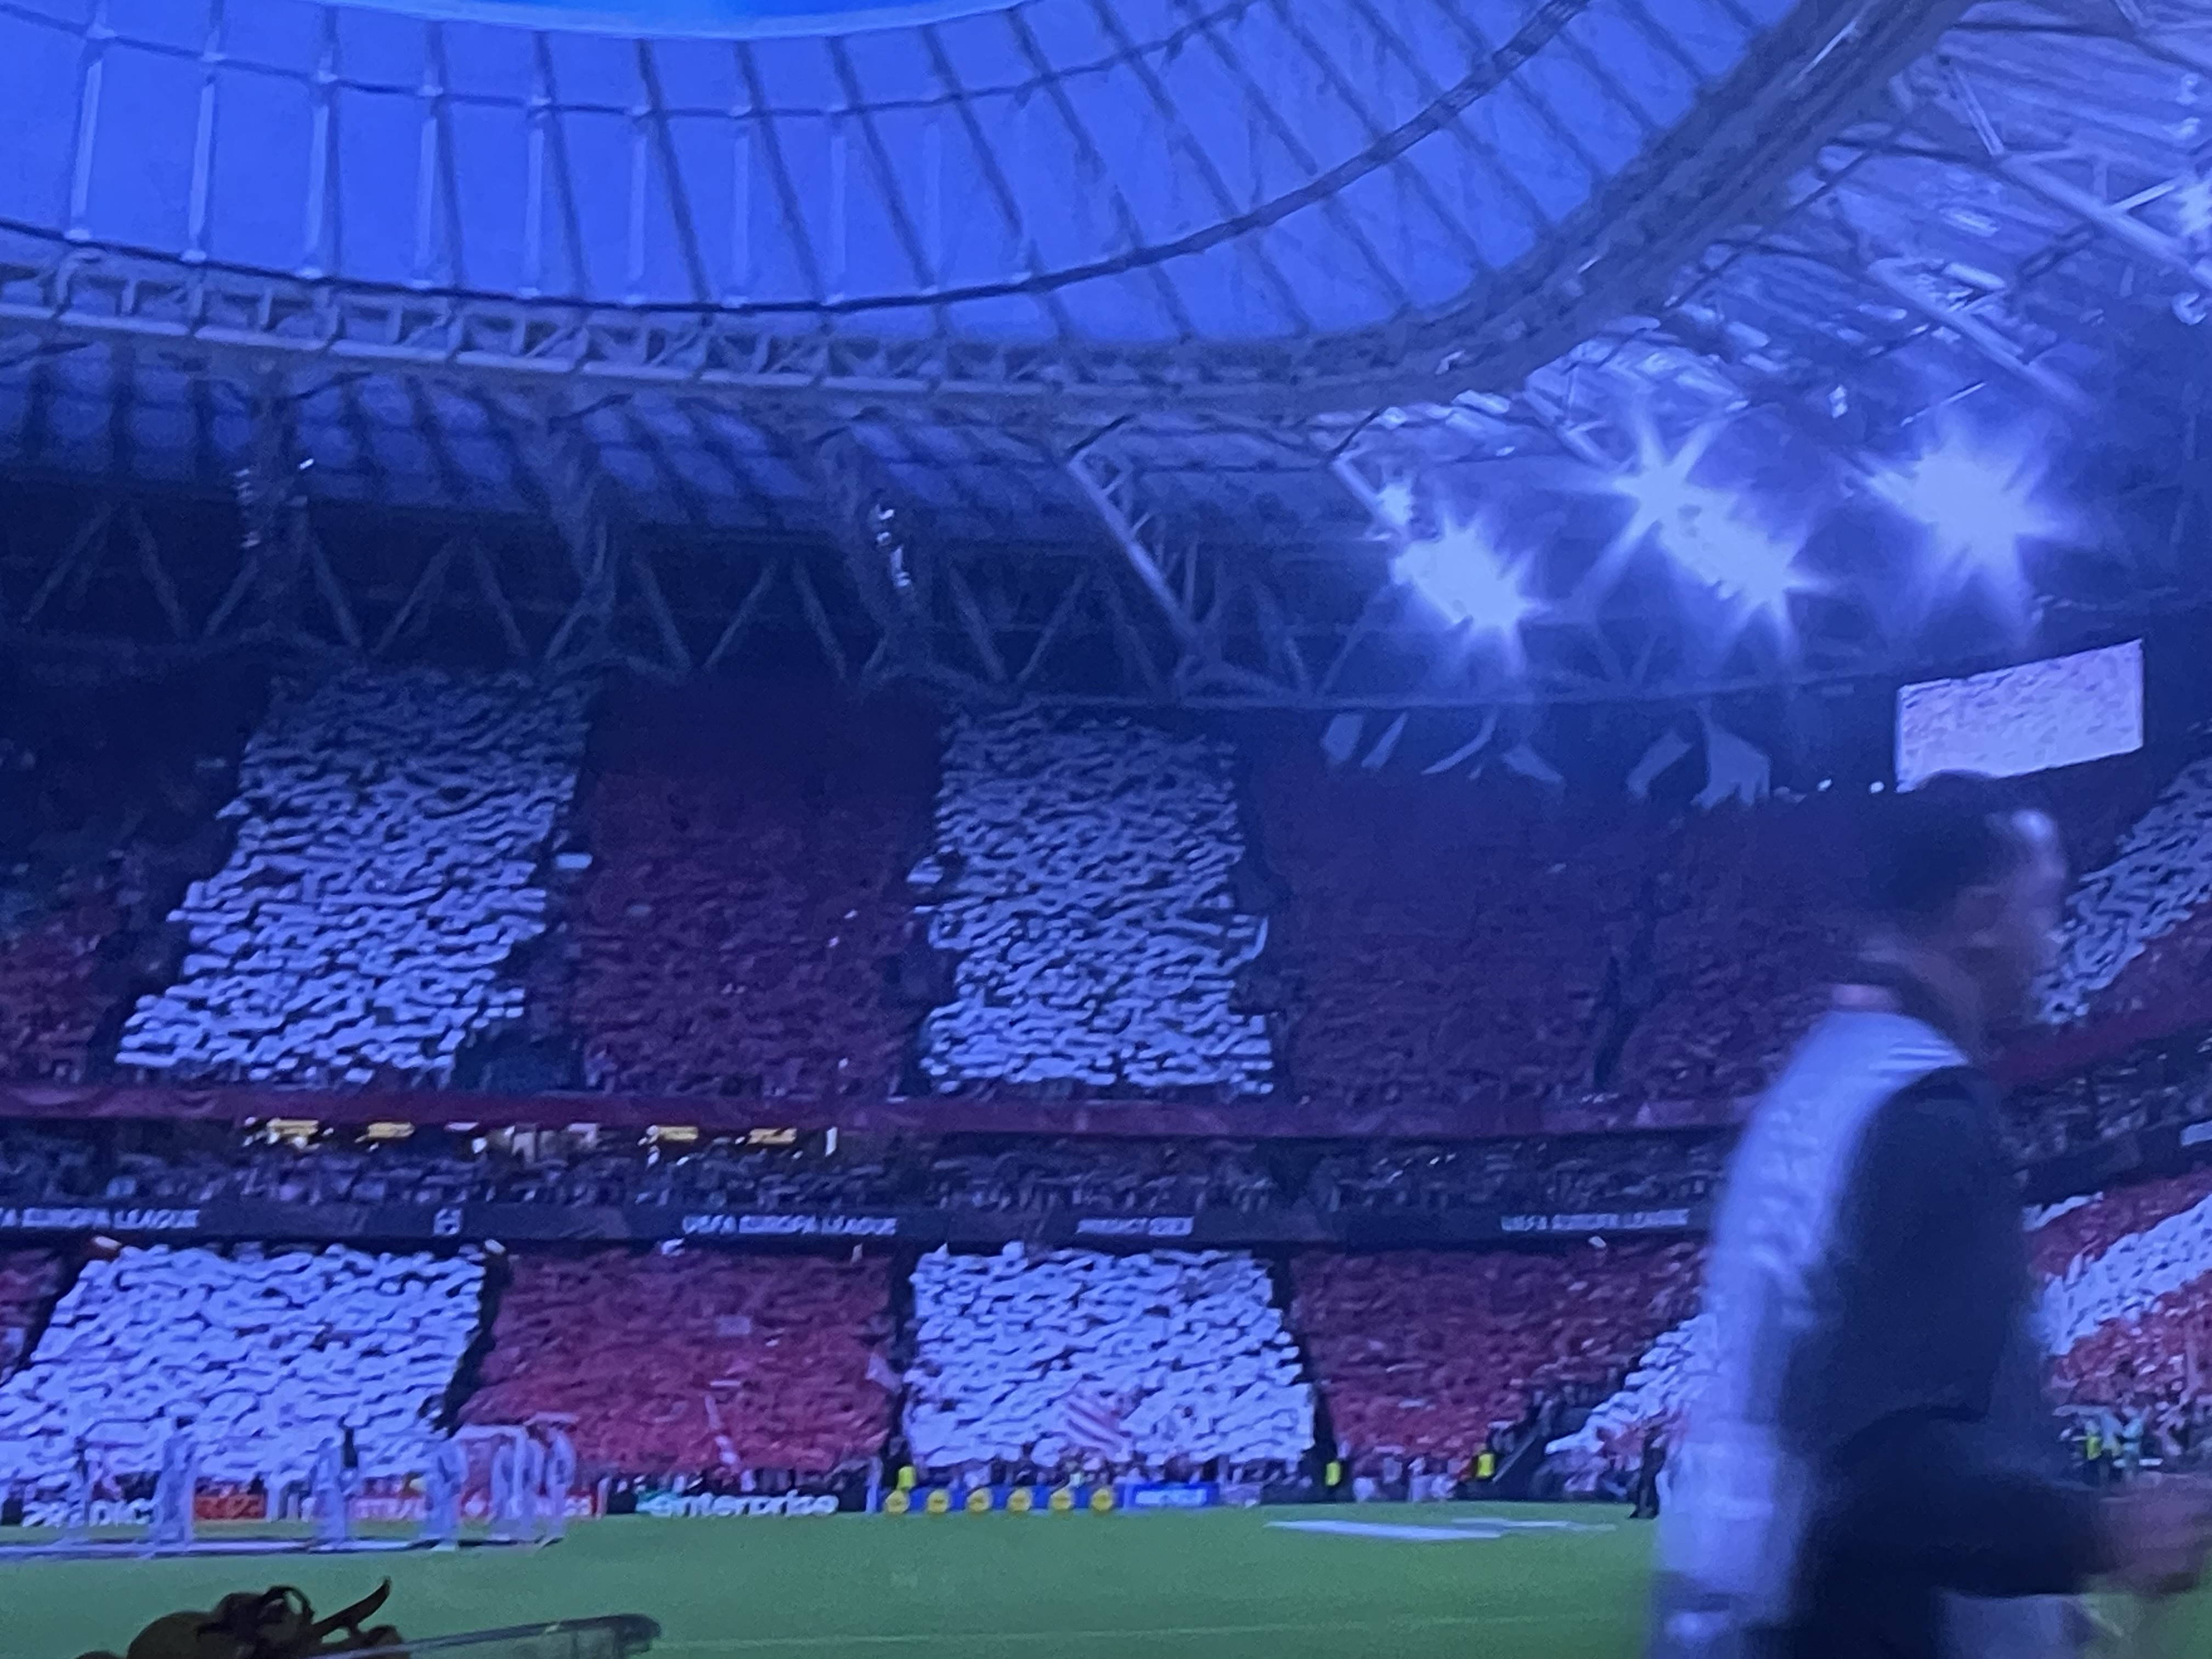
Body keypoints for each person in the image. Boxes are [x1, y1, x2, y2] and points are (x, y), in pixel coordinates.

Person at [1650, 774, 2212, 1659]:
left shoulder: (1826, 1082)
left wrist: (2031, 1608)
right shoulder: (1929, 1112)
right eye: (2046, 908)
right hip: (1850, 1625)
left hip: (1743, 1606)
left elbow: (1817, 1405)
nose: (2057, 943)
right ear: (1981, 917)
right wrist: (2102, 1532)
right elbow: (1882, 1467)